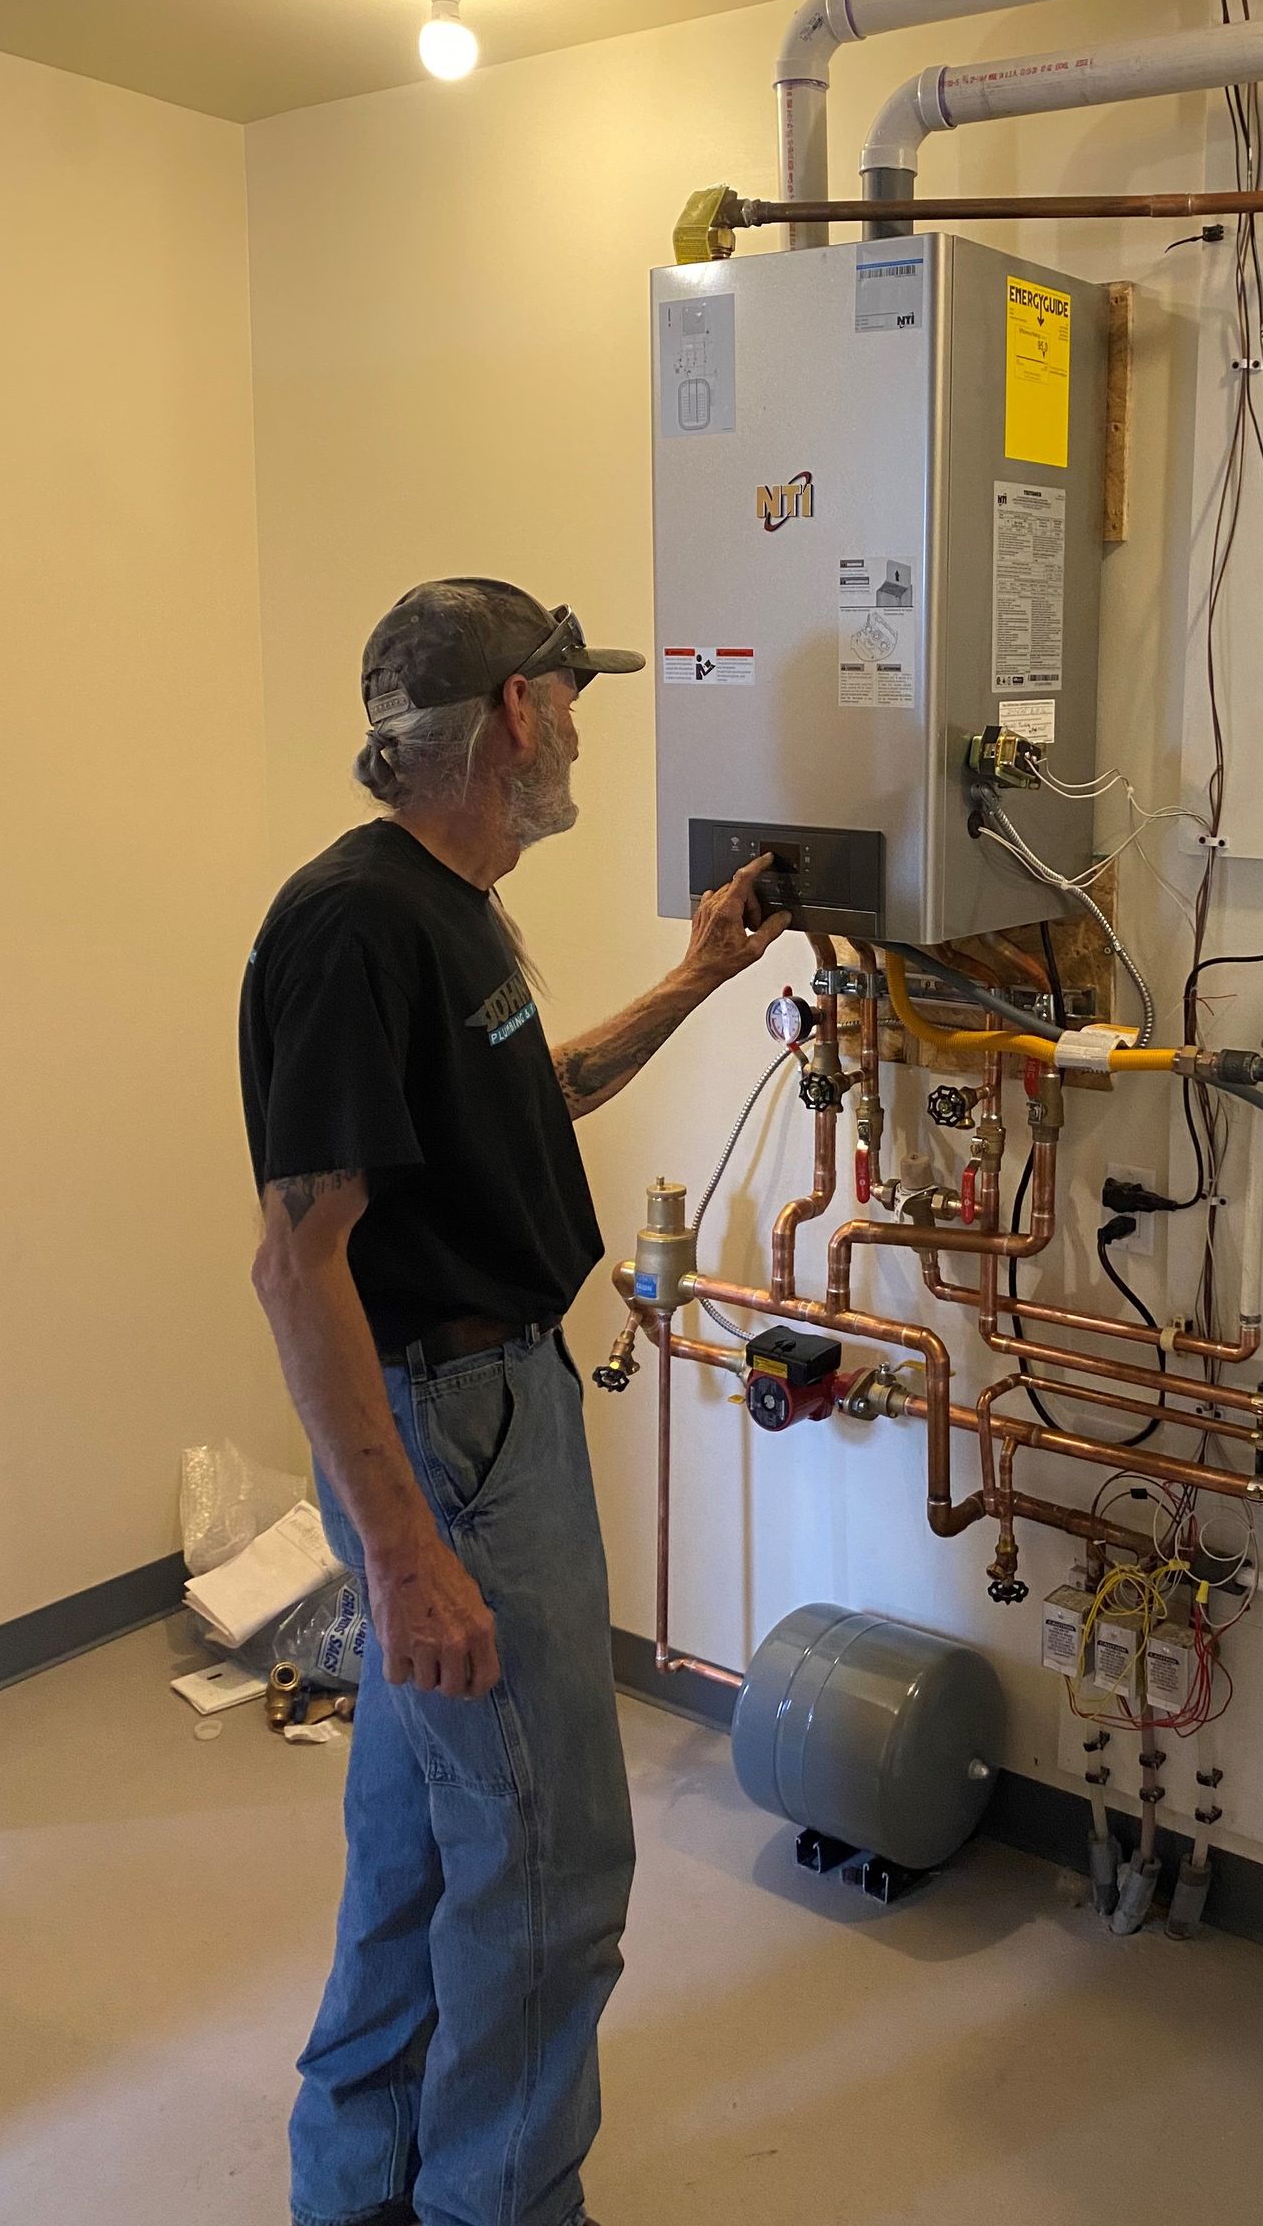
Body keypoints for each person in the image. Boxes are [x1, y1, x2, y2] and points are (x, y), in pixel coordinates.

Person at [240, 576, 786, 2226]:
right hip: (451, 1432)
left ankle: (360, 2194)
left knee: (422, 1846)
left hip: (491, 1403)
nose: (584, 727)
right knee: (553, 1871)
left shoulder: (451, 901)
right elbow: (296, 1262)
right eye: (573, 695)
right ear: (511, 719)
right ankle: (499, 2205)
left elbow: (508, 1111)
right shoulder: (355, 921)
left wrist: (691, 984)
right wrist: (405, 1560)